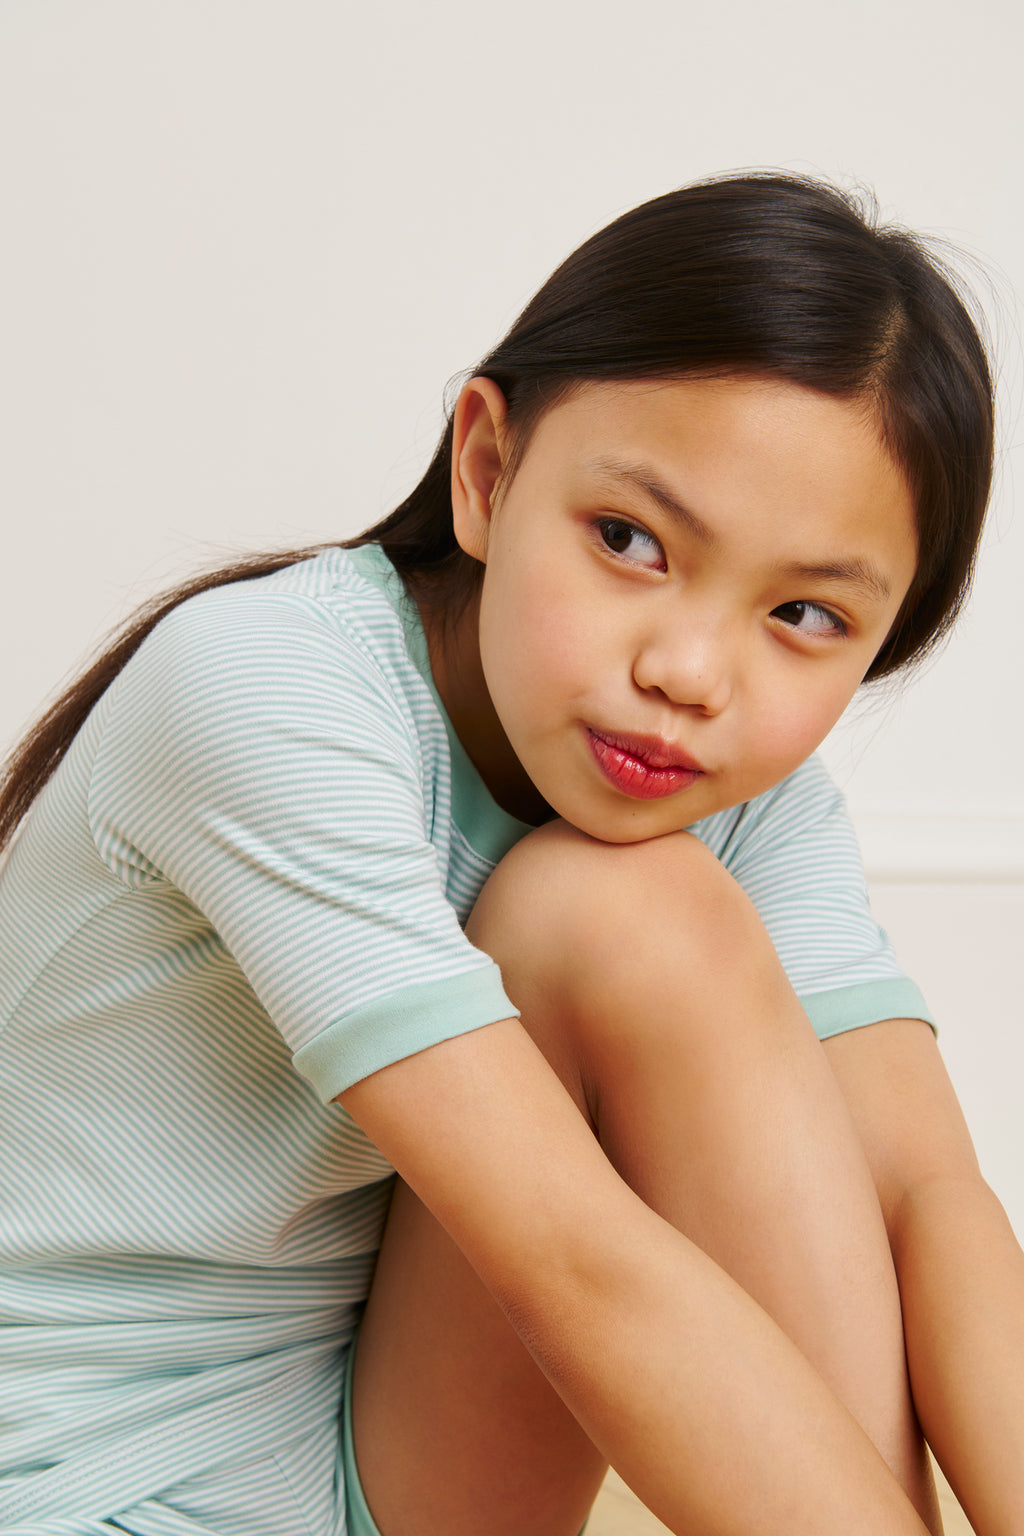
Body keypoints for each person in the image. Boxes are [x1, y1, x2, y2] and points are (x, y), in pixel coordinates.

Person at [0, 171, 1020, 1536]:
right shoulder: (266, 690)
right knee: (617, 909)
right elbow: (574, 1261)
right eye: (630, 540)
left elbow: (927, 1197)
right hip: (82, 1490)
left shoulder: (731, 796)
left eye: (805, 615)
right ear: (487, 471)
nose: (688, 670)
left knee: (635, 902)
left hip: (374, 1468)